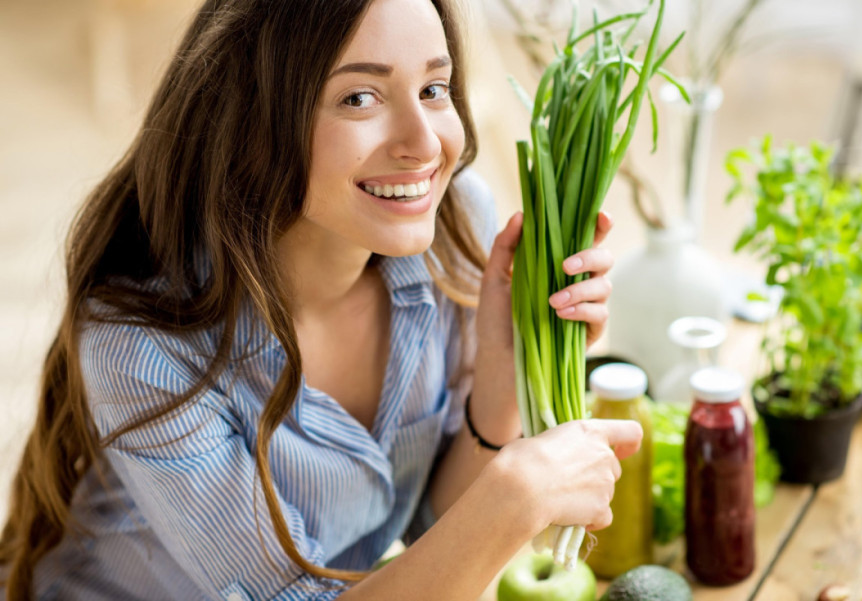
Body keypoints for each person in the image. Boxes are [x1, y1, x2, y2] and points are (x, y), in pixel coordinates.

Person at [0, 0, 642, 599]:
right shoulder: (142, 347)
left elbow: (430, 531)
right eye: (360, 97)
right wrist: (516, 497)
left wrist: (499, 380)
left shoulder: (452, 229)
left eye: (433, 89)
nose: (422, 145)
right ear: (254, 121)